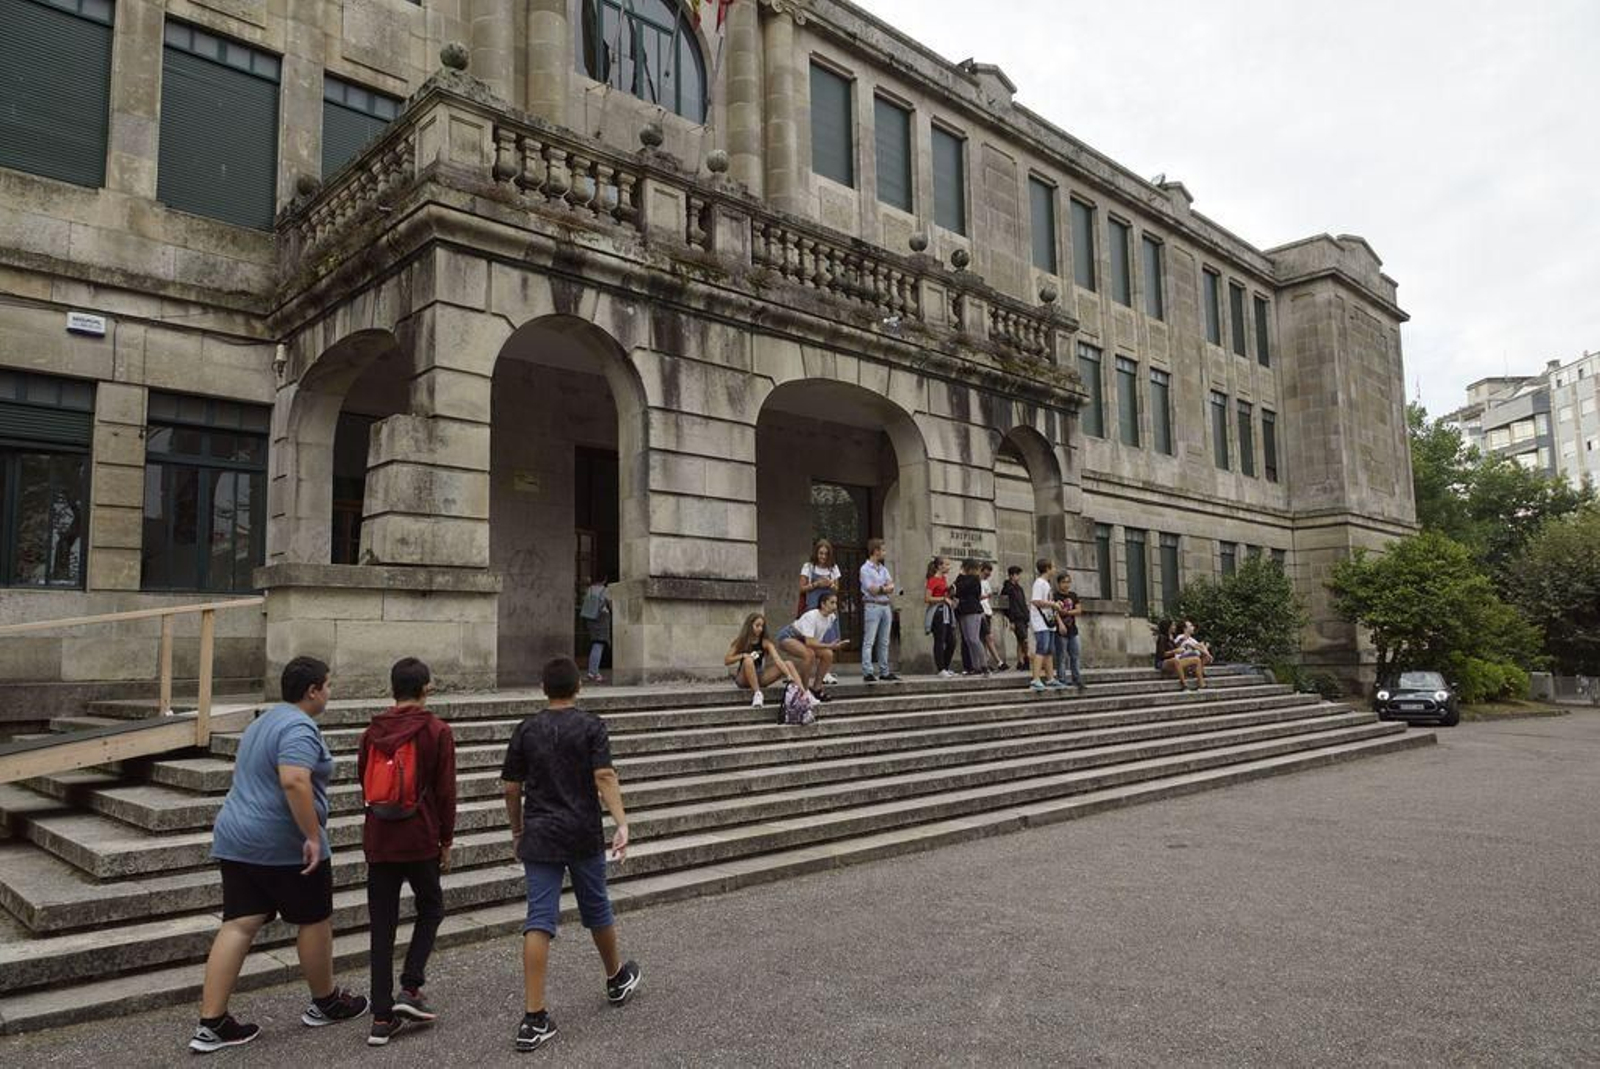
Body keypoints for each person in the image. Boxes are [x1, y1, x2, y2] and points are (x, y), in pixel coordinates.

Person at [189, 656, 367, 1054]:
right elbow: (294, 779)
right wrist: (312, 837)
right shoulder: (299, 726)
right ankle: (326, 1001)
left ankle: (212, 1022)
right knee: (314, 918)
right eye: (328, 685)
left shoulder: (263, 722)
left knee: (239, 923)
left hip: (237, 836)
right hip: (281, 842)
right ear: (313, 691)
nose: (329, 691)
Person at [501, 658, 640, 1052]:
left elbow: (511, 787)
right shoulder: (592, 726)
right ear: (578, 686)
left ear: (543, 688)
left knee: (539, 919)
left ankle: (534, 1016)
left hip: (541, 832)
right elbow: (604, 776)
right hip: (582, 829)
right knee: (597, 908)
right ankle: (615, 977)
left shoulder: (526, 729)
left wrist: (517, 830)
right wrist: (621, 822)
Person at [359, 658, 458, 1047]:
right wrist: (445, 841)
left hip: (380, 837)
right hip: (419, 837)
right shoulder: (436, 730)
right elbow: (446, 792)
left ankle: (381, 1017)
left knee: (381, 925)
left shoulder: (371, 732)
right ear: (426, 688)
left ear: (392, 689)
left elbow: (362, 784)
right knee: (431, 907)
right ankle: (411, 986)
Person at [724, 612, 806, 707]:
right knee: (748, 660)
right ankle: (757, 694)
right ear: (750, 626)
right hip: (743, 678)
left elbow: (777, 659)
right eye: (757, 625)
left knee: (788, 663)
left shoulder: (765, 643)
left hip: (759, 676)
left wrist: (788, 675)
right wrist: (743, 655)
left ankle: (803, 694)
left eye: (762, 626)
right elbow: (727, 660)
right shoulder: (741, 641)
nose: (760, 629)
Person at [776, 591, 847, 699]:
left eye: (835, 603)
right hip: (789, 636)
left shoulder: (831, 617)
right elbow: (810, 642)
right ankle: (803, 691)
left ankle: (816, 689)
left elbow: (815, 641)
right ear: (823, 604)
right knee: (809, 654)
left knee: (828, 654)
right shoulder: (812, 616)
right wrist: (830, 645)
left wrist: (829, 647)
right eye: (832, 603)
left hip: (805, 640)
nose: (834, 606)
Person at [799, 540, 843, 685]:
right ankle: (807, 670)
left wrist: (830, 583)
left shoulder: (833, 568)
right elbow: (802, 588)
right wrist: (817, 584)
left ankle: (826, 672)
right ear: (816, 553)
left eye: (826, 554)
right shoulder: (808, 567)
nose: (823, 556)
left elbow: (837, 588)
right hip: (813, 606)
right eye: (821, 553)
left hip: (829, 607)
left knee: (829, 637)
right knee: (813, 640)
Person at [858, 538, 900, 682]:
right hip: (873, 605)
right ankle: (868, 671)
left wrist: (883, 588)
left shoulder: (883, 569)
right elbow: (872, 589)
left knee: (884, 641)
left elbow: (892, 586)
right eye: (882, 550)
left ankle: (884, 671)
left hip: (885, 606)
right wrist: (884, 588)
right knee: (869, 640)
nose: (884, 553)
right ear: (875, 551)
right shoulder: (865, 569)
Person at [1028, 559, 1064, 691]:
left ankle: (1050, 678)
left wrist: (1054, 605)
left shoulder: (1046, 584)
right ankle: (1035, 678)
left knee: (1049, 650)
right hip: (1040, 621)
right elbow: (1036, 601)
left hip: (1047, 621)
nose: (1055, 569)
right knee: (1041, 649)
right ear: (1047, 568)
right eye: (1053, 567)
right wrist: (1052, 604)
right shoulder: (1039, 583)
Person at [1053, 572, 1087, 694]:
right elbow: (1055, 613)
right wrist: (1060, 623)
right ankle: (1061, 679)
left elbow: (1079, 610)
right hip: (1061, 630)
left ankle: (1076, 678)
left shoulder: (1073, 595)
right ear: (1058, 584)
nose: (1066, 585)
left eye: (1068, 582)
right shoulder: (1055, 596)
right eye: (1063, 582)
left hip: (1073, 629)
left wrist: (1067, 613)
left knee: (1075, 655)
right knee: (1061, 656)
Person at [923, 557, 957, 678]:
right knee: (940, 640)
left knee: (952, 642)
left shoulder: (944, 579)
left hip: (946, 612)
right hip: (937, 612)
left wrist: (950, 595)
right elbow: (927, 598)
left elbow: (945, 594)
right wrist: (943, 599)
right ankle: (941, 668)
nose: (949, 567)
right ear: (939, 566)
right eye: (947, 565)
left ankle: (946, 667)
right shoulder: (932, 580)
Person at [953, 559, 988, 676]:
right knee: (968, 640)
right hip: (963, 610)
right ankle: (975, 666)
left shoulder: (974, 579)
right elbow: (956, 590)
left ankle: (984, 665)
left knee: (974, 638)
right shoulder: (962, 578)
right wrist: (960, 576)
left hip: (973, 610)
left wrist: (961, 576)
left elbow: (961, 588)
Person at [1155, 618, 1205, 690]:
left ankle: (1201, 684)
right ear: (1168, 627)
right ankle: (1184, 685)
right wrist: (1175, 651)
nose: (1174, 627)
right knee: (1176, 660)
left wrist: (1182, 644)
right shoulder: (1162, 638)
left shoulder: (1171, 637)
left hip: (1175, 660)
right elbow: (1162, 655)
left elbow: (1177, 647)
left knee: (1196, 660)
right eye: (1173, 625)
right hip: (1162, 662)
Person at [579, 577, 612, 683]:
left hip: (590, 618)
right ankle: (593, 672)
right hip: (601, 617)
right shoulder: (604, 590)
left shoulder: (590, 589)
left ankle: (592, 671)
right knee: (599, 643)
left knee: (595, 643)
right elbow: (609, 603)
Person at [1000, 565, 1031, 671]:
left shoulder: (1019, 588)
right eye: (1017, 575)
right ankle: (1025, 660)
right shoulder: (1007, 588)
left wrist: (1027, 615)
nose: (1019, 577)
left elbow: (1022, 603)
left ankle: (1020, 661)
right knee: (1024, 640)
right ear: (1012, 575)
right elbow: (1008, 606)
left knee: (1020, 640)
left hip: (1023, 617)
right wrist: (1011, 620)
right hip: (1016, 618)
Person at [979, 562, 1005, 671]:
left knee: (985, 639)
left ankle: (986, 662)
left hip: (987, 612)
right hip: (980, 612)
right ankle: (998, 662)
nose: (988, 575)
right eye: (986, 573)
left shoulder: (985, 582)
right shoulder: (976, 581)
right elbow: (978, 597)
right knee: (987, 637)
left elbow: (987, 596)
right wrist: (986, 596)